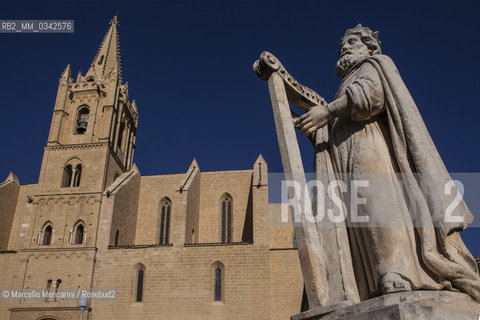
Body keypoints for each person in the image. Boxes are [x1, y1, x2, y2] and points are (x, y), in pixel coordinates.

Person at [295, 24, 480, 302]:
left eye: (352, 42)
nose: (345, 47)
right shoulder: (345, 83)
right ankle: (370, 281)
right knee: (356, 221)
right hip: (345, 156)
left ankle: (395, 272)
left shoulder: (375, 64)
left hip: (370, 145)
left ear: (369, 46)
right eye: (343, 44)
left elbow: (372, 95)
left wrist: (328, 111)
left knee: (376, 206)